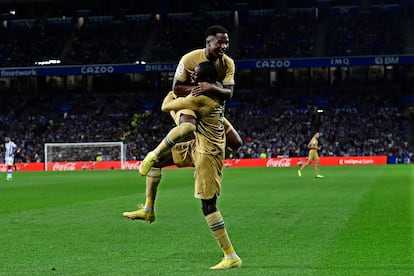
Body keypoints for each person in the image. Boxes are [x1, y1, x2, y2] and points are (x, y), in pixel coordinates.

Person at [123, 62, 242, 270]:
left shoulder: (199, 97)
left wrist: (172, 94)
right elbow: (236, 142)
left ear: (202, 79)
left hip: (207, 154)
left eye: (195, 75)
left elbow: (166, 106)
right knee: (158, 163)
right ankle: (149, 209)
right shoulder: (217, 96)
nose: (192, 78)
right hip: (199, 145)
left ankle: (230, 255)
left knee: (208, 206)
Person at [138, 25, 243, 176]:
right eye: (220, 43)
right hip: (187, 102)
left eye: (226, 43)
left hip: (209, 108)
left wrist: (210, 88)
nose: (224, 46)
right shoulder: (189, 59)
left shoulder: (228, 63)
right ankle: (154, 154)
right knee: (188, 126)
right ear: (208, 43)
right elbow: (177, 88)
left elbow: (229, 93)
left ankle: (198, 155)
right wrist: (199, 91)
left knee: (236, 143)